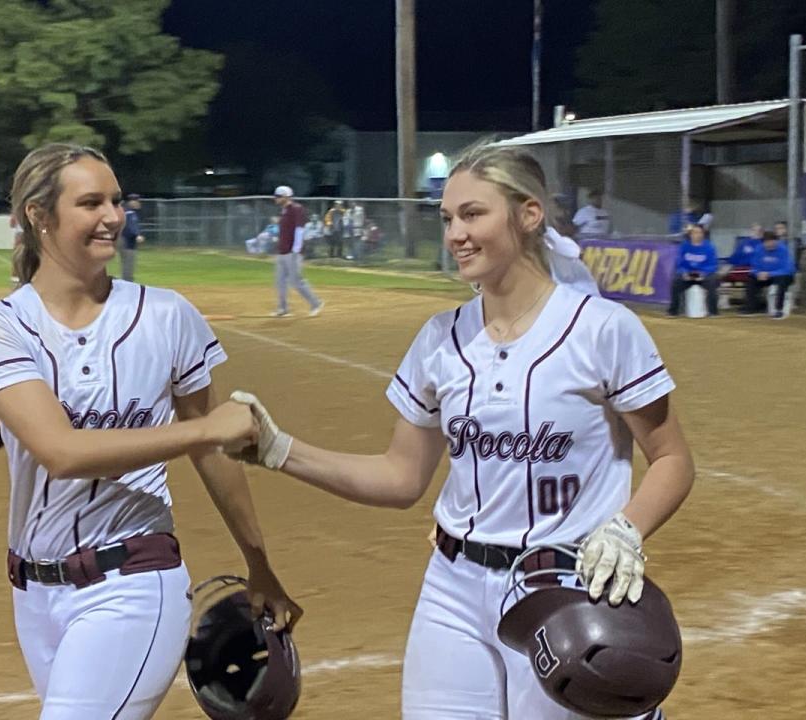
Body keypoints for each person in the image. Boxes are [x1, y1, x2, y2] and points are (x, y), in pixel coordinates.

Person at [232, 142, 694, 719]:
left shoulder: (601, 329)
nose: (455, 233)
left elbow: (671, 458)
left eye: (473, 214)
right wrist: (279, 449)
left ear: (528, 215)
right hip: (452, 590)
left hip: (564, 593)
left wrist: (628, 530)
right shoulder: (439, 338)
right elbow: (401, 477)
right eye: (448, 218)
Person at [0, 143, 302, 720]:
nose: (113, 216)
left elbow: (214, 456)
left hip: (133, 583)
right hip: (34, 595)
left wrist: (258, 563)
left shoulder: (167, 316)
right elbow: (62, 452)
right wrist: (199, 432)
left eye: (115, 200)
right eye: (91, 202)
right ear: (40, 216)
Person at [271, 185, 324, 317]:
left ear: (286, 197)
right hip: (282, 251)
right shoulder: (283, 211)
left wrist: (296, 249)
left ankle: (315, 303)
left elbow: (299, 230)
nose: (276, 199)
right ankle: (283, 308)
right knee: (280, 281)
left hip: (292, 252)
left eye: (278, 196)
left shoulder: (296, 209)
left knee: (296, 281)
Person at [667, 223, 720, 317]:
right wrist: (684, 273)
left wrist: (703, 273)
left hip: (704, 275)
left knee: (712, 282)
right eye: (695, 232)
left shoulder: (710, 247)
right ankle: (673, 311)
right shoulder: (684, 246)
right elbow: (679, 263)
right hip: (688, 274)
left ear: (703, 234)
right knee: (675, 282)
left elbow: (713, 265)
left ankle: (713, 312)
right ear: (690, 234)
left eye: (700, 232)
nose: (697, 235)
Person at [742, 230, 796, 319]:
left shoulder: (783, 250)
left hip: (782, 276)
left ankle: (779, 310)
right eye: (767, 242)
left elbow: (788, 269)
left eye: (772, 242)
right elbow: (754, 266)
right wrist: (757, 273)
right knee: (751, 279)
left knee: (781, 282)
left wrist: (770, 274)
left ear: (776, 241)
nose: (769, 244)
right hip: (765, 276)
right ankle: (751, 308)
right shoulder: (758, 249)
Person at [120, 193, 145, 281]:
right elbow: (131, 225)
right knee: (128, 262)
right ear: (132, 202)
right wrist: (137, 235)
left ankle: (127, 281)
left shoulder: (126, 210)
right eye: (137, 201)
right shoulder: (129, 212)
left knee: (127, 262)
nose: (139, 203)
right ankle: (127, 282)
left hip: (126, 240)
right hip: (127, 241)